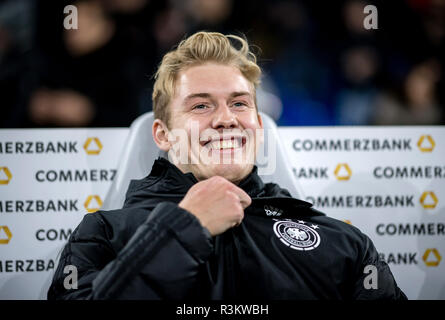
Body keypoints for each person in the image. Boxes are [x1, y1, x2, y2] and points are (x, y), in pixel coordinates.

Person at [47, 31, 407, 300]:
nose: (225, 119)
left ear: (259, 126)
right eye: (201, 106)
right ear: (162, 134)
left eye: (238, 104)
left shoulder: (342, 243)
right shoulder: (103, 233)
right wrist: (183, 228)